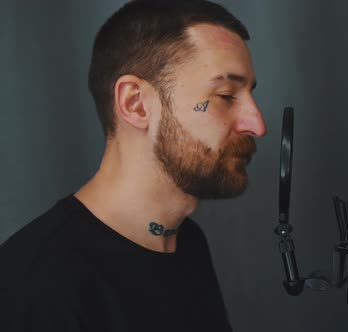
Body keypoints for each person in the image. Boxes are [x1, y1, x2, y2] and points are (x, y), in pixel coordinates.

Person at [0, 1, 266, 331]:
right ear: (135, 104)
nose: (257, 124)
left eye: (249, 95)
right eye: (226, 95)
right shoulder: (36, 284)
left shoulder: (187, 243)